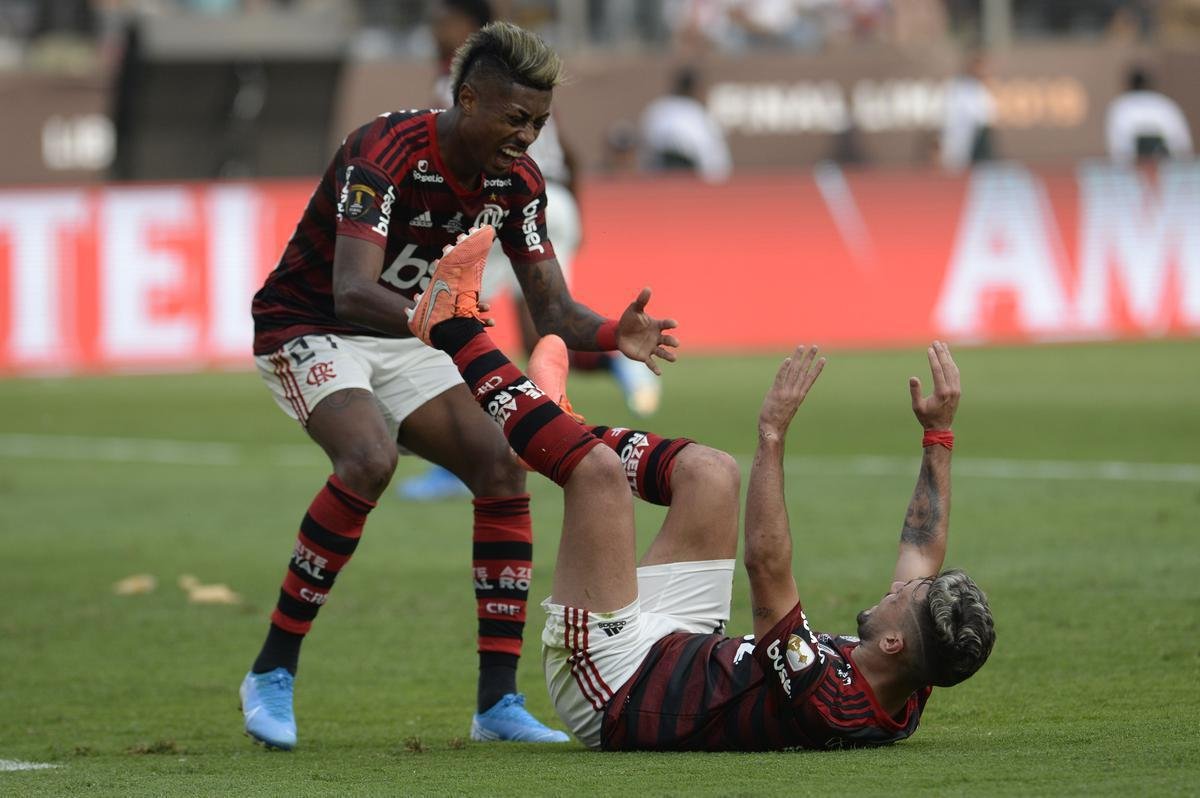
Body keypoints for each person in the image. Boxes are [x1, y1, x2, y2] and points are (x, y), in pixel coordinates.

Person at [239, 21, 680, 750]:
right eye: (515, 118)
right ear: (467, 98)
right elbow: (351, 291)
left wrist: (612, 336)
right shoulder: (384, 150)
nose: (528, 136)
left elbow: (553, 313)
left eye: (538, 122)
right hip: (310, 325)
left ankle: (496, 705)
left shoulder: (519, 182)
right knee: (369, 459)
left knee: (503, 464)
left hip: (410, 334)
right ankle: (272, 672)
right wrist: (450, 328)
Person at [404, 241, 994, 750]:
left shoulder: (830, 701)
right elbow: (921, 549)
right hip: (685, 645)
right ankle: (547, 430)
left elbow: (766, 565)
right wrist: (937, 435)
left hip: (616, 688)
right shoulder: (912, 673)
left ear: (894, 642)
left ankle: (450, 325)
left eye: (906, 597)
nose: (898, 588)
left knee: (599, 476)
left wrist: (772, 432)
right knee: (710, 474)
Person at [400, 0, 661, 502]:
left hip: (508, 201)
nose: (434, 28)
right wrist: (573, 217)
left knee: (448, 320)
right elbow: (575, 155)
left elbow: (453, 160)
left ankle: (463, 457)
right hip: (554, 199)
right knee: (534, 334)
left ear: (465, 25)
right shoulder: (528, 83)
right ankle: (608, 366)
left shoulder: (469, 90)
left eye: (442, 19)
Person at [638, 66, 733, 183]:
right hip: (687, 183)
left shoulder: (657, 109)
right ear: (696, 89)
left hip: (664, 182)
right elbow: (716, 162)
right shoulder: (702, 116)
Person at [1105, 66, 1194, 166]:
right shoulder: (1165, 104)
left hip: (1161, 165)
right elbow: (1181, 141)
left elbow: (1117, 145)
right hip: (1147, 167)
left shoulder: (1120, 106)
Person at [939, 50, 996, 173]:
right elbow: (951, 118)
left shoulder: (981, 89)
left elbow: (987, 118)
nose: (983, 71)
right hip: (960, 138)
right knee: (955, 170)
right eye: (979, 68)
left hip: (978, 139)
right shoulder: (957, 87)